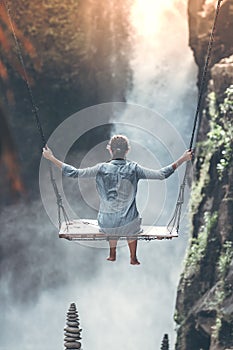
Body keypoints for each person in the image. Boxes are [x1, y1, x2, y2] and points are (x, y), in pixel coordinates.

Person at [43, 135, 192, 265]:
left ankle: (112, 253)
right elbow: (161, 174)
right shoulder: (134, 169)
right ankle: (133, 257)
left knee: (111, 217)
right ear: (127, 150)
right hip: (129, 224)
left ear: (110, 149)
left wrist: (51, 158)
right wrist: (183, 159)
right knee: (130, 220)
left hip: (107, 224)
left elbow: (74, 173)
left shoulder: (101, 168)